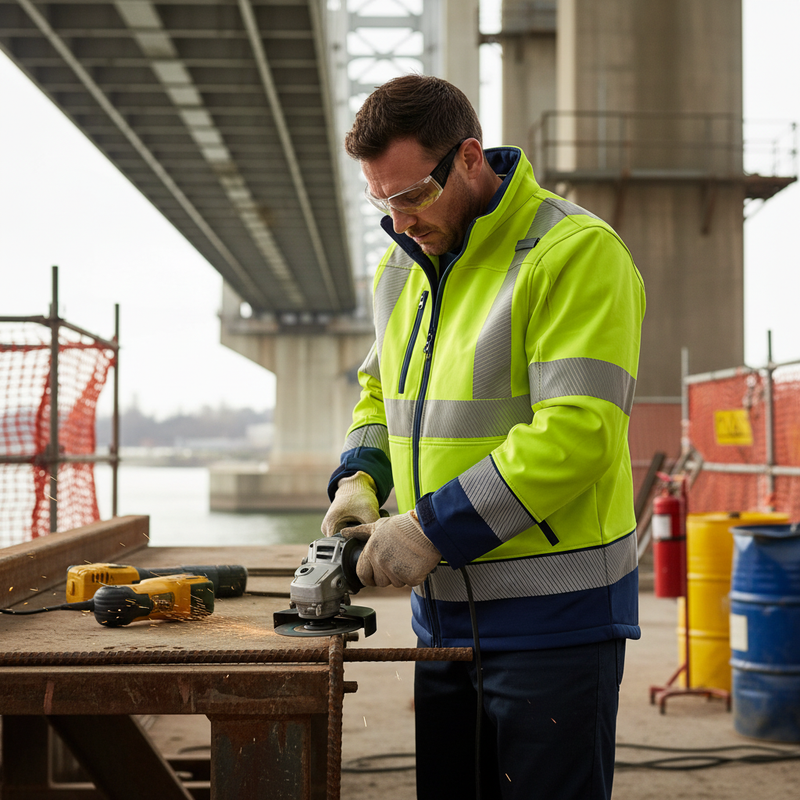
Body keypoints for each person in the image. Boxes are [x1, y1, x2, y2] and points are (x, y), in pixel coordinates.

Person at [321, 74, 645, 800]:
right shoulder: (403, 265)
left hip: (554, 626)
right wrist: (361, 476)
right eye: (382, 199)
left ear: (469, 158)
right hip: (442, 620)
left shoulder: (574, 253)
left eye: (411, 196)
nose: (399, 220)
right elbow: (382, 390)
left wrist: (432, 528)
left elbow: (579, 432)